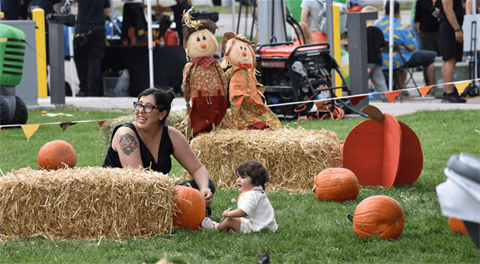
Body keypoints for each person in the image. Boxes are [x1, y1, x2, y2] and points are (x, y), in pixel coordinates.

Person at [103, 87, 215, 213]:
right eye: (139, 105)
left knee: (207, 185)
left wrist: (204, 188)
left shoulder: (172, 135)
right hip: (126, 195)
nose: (141, 111)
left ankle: (186, 206)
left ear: (162, 114)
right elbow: (138, 181)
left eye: (148, 107)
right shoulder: (126, 134)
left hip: (156, 192)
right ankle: (185, 208)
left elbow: (197, 168)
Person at [201, 161, 278, 233]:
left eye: (243, 177)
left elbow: (243, 212)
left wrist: (229, 214)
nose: (238, 180)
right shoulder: (259, 192)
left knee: (230, 220)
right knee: (237, 219)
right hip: (267, 227)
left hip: (255, 228)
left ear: (256, 181)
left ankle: (217, 228)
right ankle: (225, 227)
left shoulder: (251, 195)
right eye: (238, 177)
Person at [376, 1, 436, 90]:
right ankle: (431, 88)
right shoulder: (401, 28)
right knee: (432, 56)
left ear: (385, 11)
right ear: (398, 12)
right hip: (399, 61)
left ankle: (399, 88)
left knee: (401, 60)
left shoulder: (377, 26)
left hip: (381, 61)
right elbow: (413, 47)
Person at [74, 0, 110, 97]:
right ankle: (92, 91)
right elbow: (107, 12)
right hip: (98, 29)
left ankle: (84, 89)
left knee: (80, 61)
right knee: (94, 61)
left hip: (83, 29)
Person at [437, 0, 467, 103]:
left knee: (448, 60)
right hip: (450, 27)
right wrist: (457, 29)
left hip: (449, 26)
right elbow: (448, 9)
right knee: (450, 59)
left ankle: (447, 91)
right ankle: (449, 92)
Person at [415, 0, 443, 92]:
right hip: (426, 33)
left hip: (440, 32)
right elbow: (417, 17)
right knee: (427, 59)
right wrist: (420, 32)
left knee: (442, 56)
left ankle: (442, 81)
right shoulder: (421, 1)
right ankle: (428, 83)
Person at [362, 6, 388, 102]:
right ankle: (387, 98)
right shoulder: (379, 30)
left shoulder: (364, 31)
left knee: (362, 80)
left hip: (368, 60)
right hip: (378, 59)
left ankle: (359, 99)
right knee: (379, 80)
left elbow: (364, 47)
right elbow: (382, 46)